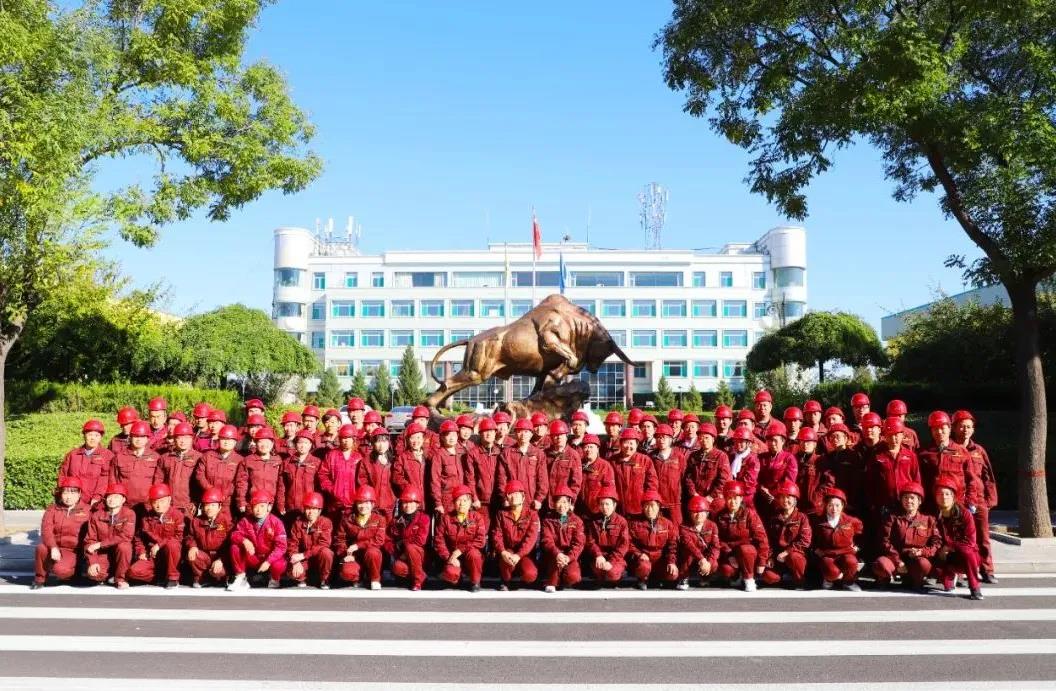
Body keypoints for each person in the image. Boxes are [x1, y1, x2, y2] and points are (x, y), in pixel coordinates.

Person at [951, 409, 999, 583]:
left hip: (979, 501)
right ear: (954, 427)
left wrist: (989, 501)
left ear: (973, 429)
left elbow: (988, 477)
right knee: (959, 538)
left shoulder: (979, 450)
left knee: (983, 537)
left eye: (969, 427)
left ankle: (987, 570)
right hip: (957, 501)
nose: (965, 430)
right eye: (962, 426)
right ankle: (960, 571)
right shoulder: (950, 449)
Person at [873, 482, 941, 592]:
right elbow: (884, 540)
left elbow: (936, 543)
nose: (909, 501)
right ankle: (883, 579)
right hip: (895, 556)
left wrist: (922, 552)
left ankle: (915, 581)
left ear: (919, 501)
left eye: (912, 498)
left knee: (924, 564)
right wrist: (897, 561)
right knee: (881, 564)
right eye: (905, 498)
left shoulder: (929, 520)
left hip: (915, 559)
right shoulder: (892, 518)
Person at [33, 477, 91, 589]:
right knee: (41, 548)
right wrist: (53, 547)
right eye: (65, 492)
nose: (68, 497)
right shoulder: (52, 509)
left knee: (61, 571)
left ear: (79, 494)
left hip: (74, 551)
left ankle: (73, 572)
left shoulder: (88, 510)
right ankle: (40, 579)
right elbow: (46, 530)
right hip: (57, 547)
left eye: (73, 492)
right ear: (61, 494)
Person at [932, 475, 984, 600]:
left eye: (947, 494)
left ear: (954, 497)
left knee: (968, 552)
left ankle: (975, 587)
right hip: (939, 554)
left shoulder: (965, 514)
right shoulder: (932, 515)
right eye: (940, 494)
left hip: (962, 554)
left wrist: (949, 546)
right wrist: (940, 549)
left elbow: (970, 541)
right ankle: (948, 573)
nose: (944, 497)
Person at [127, 483, 186, 588]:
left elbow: (179, 537)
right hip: (153, 556)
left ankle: (173, 577)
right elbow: (138, 538)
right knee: (133, 572)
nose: (159, 505)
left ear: (169, 500)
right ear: (150, 503)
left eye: (162, 501)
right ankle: (160, 576)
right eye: (155, 502)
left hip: (171, 556)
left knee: (172, 544)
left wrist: (159, 545)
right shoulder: (146, 518)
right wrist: (141, 552)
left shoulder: (178, 515)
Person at [714, 480, 769, 592]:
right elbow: (717, 539)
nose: (732, 502)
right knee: (726, 570)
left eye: (736, 498)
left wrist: (762, 561)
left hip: (748, 554)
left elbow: (761, 538)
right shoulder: (719, 516)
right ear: (725, 499)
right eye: (729, 498)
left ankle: (749, 579)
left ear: (741, 498)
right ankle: (737, 576)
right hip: (731, 553)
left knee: (746, 550)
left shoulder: (749, 514)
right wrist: (728, 554)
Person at [228, 490, 287, 590]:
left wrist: (268, 561)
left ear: (269, 507)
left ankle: (274, 579)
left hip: (269, 558)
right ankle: (241, 578)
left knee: (279, 565)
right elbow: (234, 535)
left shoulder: (276, 522)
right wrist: (244, 540)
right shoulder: (246, 521)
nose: (258, 510)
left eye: (262, 506)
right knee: (235, 547)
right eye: (256, 506)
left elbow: (281, 547)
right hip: (253, 557)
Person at [918, 411, 976, 513]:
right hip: (931, 506)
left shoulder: (961, 451)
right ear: (931, 431)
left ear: (949, 428)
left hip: (957, 504)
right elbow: (918, 479)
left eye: (942, 428)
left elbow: (971, 480)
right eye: (935, 429)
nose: (939, 432)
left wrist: (970, 501)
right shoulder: (923, 453)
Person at [434, 484, 487, 592]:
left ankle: (475, 581)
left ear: (470, 502)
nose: (462, 503)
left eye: (465, 500)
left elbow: (480, 540)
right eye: (458, 500)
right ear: (454, 503)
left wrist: (460, 550)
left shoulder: (477, 517)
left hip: (469, 556)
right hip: (453, 556)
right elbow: (439, 541)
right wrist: (450, 558)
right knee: (450, 574)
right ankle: (458, 577)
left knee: (475, 555)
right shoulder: (446, 518)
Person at [490, 480, 541, 590]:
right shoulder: (501, 514)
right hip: (508, 550)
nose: (515, 497)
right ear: (507, 498)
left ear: (523, 497)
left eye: (518, 494)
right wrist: (502, 552)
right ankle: (506, 580)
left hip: (524, 554)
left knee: (530, 574)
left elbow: (530, 539)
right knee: (505, 560)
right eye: (511, 494)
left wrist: (519, 555)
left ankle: (519, 571)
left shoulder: (532, 514)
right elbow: (496, 535)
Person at [759, 481, 811, 589]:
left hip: (794, 554)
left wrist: (787, 552)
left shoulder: (802, 518)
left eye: (788, 497)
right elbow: (767, 540)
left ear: (795, 499)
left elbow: (805, 540)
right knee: (768, 577)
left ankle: (798, 579)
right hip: (777, 557)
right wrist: (769, 556)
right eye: (782, 497)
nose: (785, 500)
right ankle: (784, 577)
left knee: (794, 558)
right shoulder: (774, 517)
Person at [84, 483, 136, 589]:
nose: (112, 499)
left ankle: (120, 578)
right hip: (103, 555)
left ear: (123, 500)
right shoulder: (96, 516)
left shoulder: (129, 514)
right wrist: (92, 562)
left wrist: (100, 544)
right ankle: (109, 574)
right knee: (94, 575)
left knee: (124, 546)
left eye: (116, 497)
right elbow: (90, 541)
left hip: (120, 554)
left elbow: (126, 536)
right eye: (109, 496)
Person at [811, 488, 864, 591]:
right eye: (830, 505)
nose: (834, 509)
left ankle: (848, 582)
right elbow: (810, 538)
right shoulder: (817, 521)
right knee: (832, 572)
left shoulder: (851, 521)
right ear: (826, 506)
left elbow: (862, 536)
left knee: (851, 562)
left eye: (837, 505)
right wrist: (815, 549)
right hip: (827, 554)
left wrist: (858, 547)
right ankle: (829, 579)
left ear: (843, 506)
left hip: (846, 553)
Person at [335, 485, 387, 590]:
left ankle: (374, 579)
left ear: (372, 504)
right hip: (354, 555)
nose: (363, 506)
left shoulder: (380, 519)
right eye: (360, 502)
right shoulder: (347, 519)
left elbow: (379, 540)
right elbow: (340, 540)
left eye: (367, 502)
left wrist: (358, 545)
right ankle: (359, 576)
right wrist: (346, 554)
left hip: (371, 555)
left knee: (373, 552)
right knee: (348, 573)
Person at [627, 490, 680, 590]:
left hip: (660, 559)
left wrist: (671, 562)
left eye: (652, 505)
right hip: (643, 558)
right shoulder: (635, 524)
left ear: (658, 506)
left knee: (673, 574)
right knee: (644, 567)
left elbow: (672, 546)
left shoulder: (667, 524)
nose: (649, 509)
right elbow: (629, 543)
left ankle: (660, 578)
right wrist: (639, 554)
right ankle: (642, 579)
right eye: (646, 505)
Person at [540, 484, 585, 593]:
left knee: (573, 577)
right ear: (554, 503)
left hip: (570, 556)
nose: (562, 505)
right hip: (553, 555)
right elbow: (547, 541)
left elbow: (578, 544)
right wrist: (558, 554)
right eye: (559, 502)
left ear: (570, 503)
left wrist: (568, 558)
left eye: (565, 502)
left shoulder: (577, 521)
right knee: (552, 580)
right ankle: (552, 579)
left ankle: (564, 576)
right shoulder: (548, 520)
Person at [59, 419, 114, 507]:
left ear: (100, 437)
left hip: (95, 502)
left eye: (96, 435)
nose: (92, 438)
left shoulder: (107, 456)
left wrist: (97, 497)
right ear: (84, 435)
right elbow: (63, 474)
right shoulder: (73, 454)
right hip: (73, 500)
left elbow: (105, 479)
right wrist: (63, 494)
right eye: (90, 434)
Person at [496, 419, 548, 511]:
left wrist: (539, 499)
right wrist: (504, 497)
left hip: (531, 501)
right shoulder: (506, 453)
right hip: (512, 501)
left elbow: (542, 479)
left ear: (531, 434)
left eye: (526, 432)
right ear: (515, 434)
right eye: (519, 431)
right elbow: (501, 478)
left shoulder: (538, 454)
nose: (523, 434)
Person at [286, 491, 334, 589]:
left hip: (318, 559)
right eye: (308, 508)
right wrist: (295, 561)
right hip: (304, 560)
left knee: (326, 552)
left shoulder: (325, 523)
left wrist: (303, 555)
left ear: (319, 511)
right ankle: (302, 578)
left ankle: (324, 579)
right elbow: (292, 544)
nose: (310, 512)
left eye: (314, 509)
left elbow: (324, 544)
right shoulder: (298, 523)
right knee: (292, 572)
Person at [109, 421, 161, 512]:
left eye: (142, 437)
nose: (138, 440)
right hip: (125, 506)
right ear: (130, 437)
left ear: (147, 438)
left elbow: (159, 481)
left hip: (148, 506)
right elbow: (113, 480)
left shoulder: (156, 458)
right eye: (135, 436)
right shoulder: (119, 457)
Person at [386, 487, 431, 591]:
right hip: (402, 556)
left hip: (420, 555)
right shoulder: (397, 520)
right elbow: (388, 539)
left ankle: (417, 582)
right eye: (405, 502)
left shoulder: (424, 518)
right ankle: (421, 576)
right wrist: (394, 550)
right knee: (397, 568)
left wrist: (403, 545)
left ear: (417, 504)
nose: (408, 506)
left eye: (411, 502)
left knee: (411, 548)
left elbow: (421, 540)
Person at [185, 487, 232, 588]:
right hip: (205, 556)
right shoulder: (196, 521)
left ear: (219, 507)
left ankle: (222, 578)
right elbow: (190, 537)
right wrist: (192, 546)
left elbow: (230, 544)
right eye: (207, 505)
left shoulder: (226, 522)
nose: (209, 508)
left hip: (220, 557)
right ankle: (203, 578)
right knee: (193, 556)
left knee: (218, 572)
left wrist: (221, 560)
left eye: (213, 505)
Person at [154, 422, 202, 516]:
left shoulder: (199, 458)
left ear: (192, 439)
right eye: (179, 438)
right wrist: (161, 500)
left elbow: (200, 484)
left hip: (188, 506)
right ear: (174, 439)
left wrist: (196, 502)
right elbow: (158, 481)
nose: (183, 441)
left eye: (186, 438)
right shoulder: (165, 458)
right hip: (168, 505)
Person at [609, 428, 658, 518]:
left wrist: (648, 505)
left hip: (639, 509)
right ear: (620, 444)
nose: (628, 446)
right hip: (619, 509)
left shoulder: (645, 460)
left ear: (637, 444)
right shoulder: (612, 461)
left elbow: (652, 484)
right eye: (626, 442)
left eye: (631, 443)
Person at [195, 424, 244, 514]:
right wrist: (210, 490)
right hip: (207, 500)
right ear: (219, 440)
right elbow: (199, 475)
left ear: (235, 442)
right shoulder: (207, 456)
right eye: (223, 439)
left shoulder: (240, 460)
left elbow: (238, 482)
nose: (226, 442)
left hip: (227, 504)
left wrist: (224, 494)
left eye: (229, 440)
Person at [586, 487, 630, 586]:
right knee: (599, 572)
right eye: (602, 504)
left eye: (607, 504)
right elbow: (590, 541)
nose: (604, 507)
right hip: (600, 556)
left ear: (614, 505)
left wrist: (611, 561)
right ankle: (602, 576)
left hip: (616, 558)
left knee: (612, 574)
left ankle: (619, 574)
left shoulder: (621, 522)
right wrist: (598, 555)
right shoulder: (594, 521)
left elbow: (624, 544)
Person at [684, 423, 732, 513]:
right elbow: (688, 477)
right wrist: (693, 493)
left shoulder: (721, 456)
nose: (703, 440)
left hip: (714, 500)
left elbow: (723, 480)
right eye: (701, 438)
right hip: (696, 497)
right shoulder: (693, 456)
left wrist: (711, 496)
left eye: (707, 438)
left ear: (713, 439)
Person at [318, 424, 362, 520]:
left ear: (354, 439)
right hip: (335, 503)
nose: (345, 441)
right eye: (343, 438)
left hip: (353, 503)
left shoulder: (359, 457)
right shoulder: (331, 455)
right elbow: (323, 475)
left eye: (348, 438)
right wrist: (332, 489)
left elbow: (363, 479)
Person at [755, 422, 798, 520]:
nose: (772, 443)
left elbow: (789, 481)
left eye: (775, 440)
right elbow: (756, 476)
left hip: (781, 501)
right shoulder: (761, 457)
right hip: (761, 499)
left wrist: (774, 494)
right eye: (769, 440)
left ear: (783, 441)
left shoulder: (789, 458)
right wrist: (761, 488)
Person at [677, 495, 720, 590]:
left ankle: (705, 577)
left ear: (707, 513)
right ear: (690, 513)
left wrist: (710, 562)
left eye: (702, 512)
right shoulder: (684, 527)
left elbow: (715, 546)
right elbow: (690, 546)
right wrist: (702, 559)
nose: (699, 515)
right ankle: (683, 577)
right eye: (695, 512)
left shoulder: (712, 526)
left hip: (704, 557)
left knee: (714, 563)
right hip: (691, 557)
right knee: (687, 555)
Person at [277, 430, 320, 521]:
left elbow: (319, 488)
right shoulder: (286, 463)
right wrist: (281, 504)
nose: (302, 445)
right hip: (290, 508)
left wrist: (318, 508)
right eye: (300, 442)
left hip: (309, 508)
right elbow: (281, 486)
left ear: (310, 445)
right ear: (295, 444)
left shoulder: (317, 463)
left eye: (306, 443)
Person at [429, 420, 470, 515]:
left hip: (461, 497)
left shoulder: (461, 454)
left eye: (454, 435)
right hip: (447, 499)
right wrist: (438, 503)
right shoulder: (438, 455)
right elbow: (434, 481)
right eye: (448, 435)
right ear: (442, 437)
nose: (452, 438)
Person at [649, 424, 686, 526]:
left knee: (677, 528)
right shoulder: (651, 457)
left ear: (670, 439)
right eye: (659, 437)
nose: (661, 440)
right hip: (658, 502)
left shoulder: (679, 456)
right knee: (660, 529)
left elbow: (684, 478)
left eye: (665, 437)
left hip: (675, 503)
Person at [358, 427, 397, 518]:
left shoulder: (394, 461)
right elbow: (362, 482)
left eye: (384, 441)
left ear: (388, 443)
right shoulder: (366, 461)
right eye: (378, 441)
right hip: (373, 504)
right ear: (373, 443)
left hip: (391, 504)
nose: (381, 445)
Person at [466, 417, 502, 518]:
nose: (488, 434)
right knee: (481, 531)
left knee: (498, 532)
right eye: (485, 431)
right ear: (480, 434)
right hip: (481, 501)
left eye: (491, 431)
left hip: (499, 500)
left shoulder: (501, 452)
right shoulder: (473, 453)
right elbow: (470, 478)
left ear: (495, 433)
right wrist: (474, 498)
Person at [544, 420, 582, 510]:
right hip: (546, 501)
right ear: (551, 437)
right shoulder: (545, 454)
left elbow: (576, 483)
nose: (559, 438)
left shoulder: (573, 455)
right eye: (556, 435)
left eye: (561, 435)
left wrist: (571, 502)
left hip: (564, 503)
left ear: (566, 436)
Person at [577, 434, 615, 519]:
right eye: (586, 447)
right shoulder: (578, 464)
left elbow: (609, 488)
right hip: (580, 511)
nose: (588, 450)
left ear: (597, 449)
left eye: (591, 447)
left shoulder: (605, 466)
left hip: (598, 512)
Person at [727, 428, 760, 509]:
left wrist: (736, 493)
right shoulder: (731, 456)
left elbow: (749, 483)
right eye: (736, 441)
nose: (738, 444)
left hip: (746, 495)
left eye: (741, 442)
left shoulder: (753, 460)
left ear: (748, 443)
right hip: (731, 493)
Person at [795, 427, 824, 517]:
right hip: (797, 507)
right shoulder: (793, 460)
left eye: (808, 442)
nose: (805, 445)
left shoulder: (820, 461)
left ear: (815, 444)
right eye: (802, 442)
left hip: (815, 508)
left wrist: (817, 497)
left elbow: (828, 482)